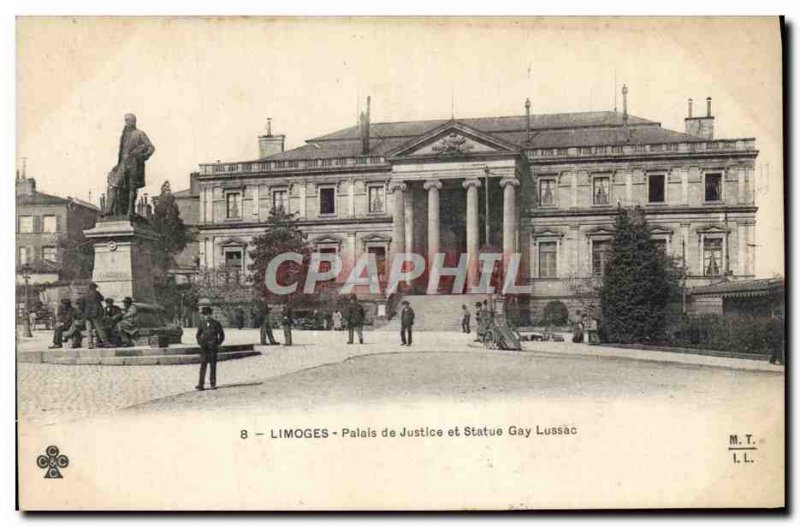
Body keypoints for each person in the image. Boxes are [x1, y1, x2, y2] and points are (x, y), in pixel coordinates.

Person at [195, 306, 225, 391]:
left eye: (207, 314)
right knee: (203, 365)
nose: (206, 316)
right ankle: (201, 384)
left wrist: (217, 343)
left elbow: (222, 335)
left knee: (212, 365)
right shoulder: (202, 323)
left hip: (212, 347)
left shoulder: (216, 323)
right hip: (204, 347)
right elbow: (198, 335)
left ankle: (212, 383)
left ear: (210, 314)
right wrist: (200, 342)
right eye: (204, 315)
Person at [83, 283, 109, 348]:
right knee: (99, 328)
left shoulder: (85, 294)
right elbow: (102, 298)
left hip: (87, 313)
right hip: (95, 313)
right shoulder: (96, 293)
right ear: (94, 288)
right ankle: (105, 342)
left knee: (89, 329)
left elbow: (83, 304)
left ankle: (90, 344)